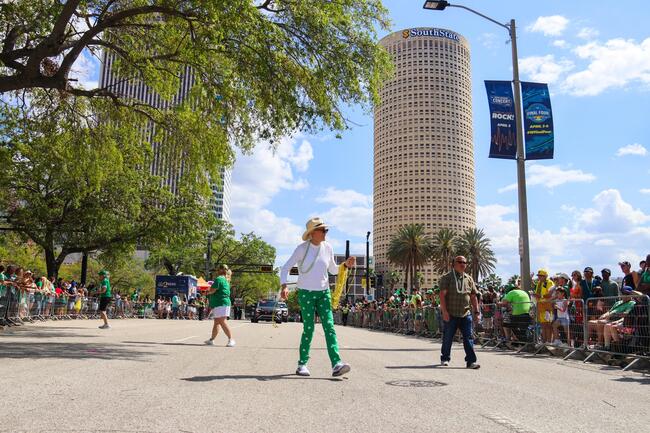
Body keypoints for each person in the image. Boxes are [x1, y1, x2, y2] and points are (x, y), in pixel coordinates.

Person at [280, 217, 354, 377]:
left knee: (329, 326)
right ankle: (302, 364)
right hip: (306, 292)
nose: (326, 232)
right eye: (323, 230)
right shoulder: (301, 249)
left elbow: (333, 270)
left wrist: (345, 265)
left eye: (326, 230)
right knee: (309, 328)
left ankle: (336, 364)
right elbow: (285, 268)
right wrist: (284, 286)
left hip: (324, 293)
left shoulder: (328, 247)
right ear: (313, 233)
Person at [439, 255, 480, 369]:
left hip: (465, 314)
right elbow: (442, 295)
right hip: (451, 313)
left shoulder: (469, 278)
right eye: (460, 262)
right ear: (454, 264)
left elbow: (473, 296)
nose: (463, 264)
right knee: (448, 337)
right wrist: (445, 311)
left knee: (468, 337)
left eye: (465, 262)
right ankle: (445, 358)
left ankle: (471, 361)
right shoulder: (447, 277)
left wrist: (476, 312)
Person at [204, 265, 235, 347]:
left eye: (218, 269)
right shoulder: (226, 280)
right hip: (221, 303)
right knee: (216, 322)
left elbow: (213, 290)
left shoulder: (219, 279)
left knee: (222, 321)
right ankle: (211, 340)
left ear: (220, 270)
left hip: (221, 303)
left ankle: (231, 339)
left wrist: (206, 292)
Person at [533, 269, 555, 343]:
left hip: (547, 306)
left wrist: (540, 296)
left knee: (548, 325)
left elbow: (550, 294)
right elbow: (537, 295)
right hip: (540, 306)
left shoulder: (549, 282)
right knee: (543, 325)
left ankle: (549, 342)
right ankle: (544, 341)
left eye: (541, 276)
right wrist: (535, 295)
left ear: (545, 276)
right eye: (538, 276)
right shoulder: (539, 283)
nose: (539, 277)